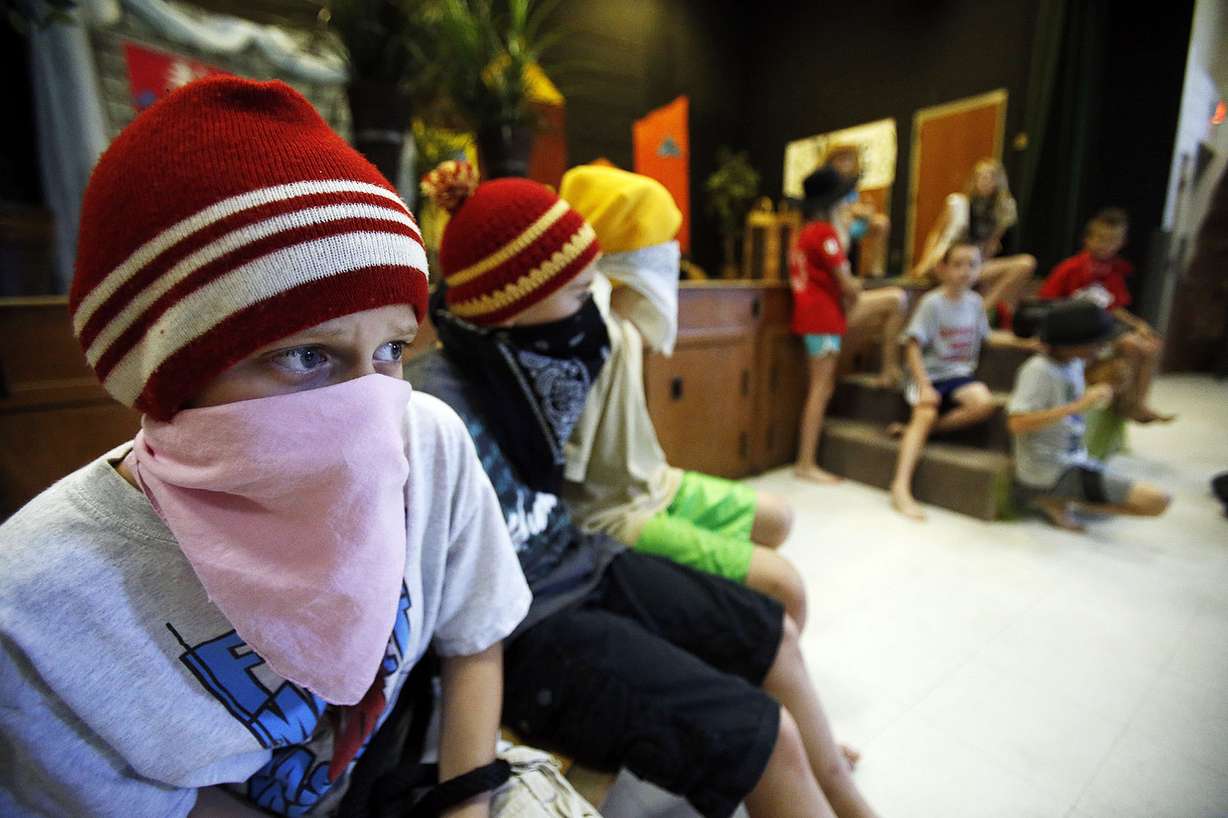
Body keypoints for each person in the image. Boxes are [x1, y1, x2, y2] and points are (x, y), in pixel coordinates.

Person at [0, 78, 533, 818]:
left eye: (392, 351)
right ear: (167, 376)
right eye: (306, 356)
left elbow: (475, 636)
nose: (369, 410)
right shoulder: (38, 608)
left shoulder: (429, 445)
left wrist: (466, 805)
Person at [409, 162, 884, 818]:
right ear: (513, 303)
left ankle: (845, 795)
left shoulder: (532, 362)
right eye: (580, 296)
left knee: (773, 631)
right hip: (535, 627)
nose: (593, 318)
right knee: (764, 736)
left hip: (583, 562)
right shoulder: (434, 410)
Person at [556, 163, 806, 627]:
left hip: (654, 483)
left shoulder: (622, 331)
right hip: (610, 514)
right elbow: (566, 471)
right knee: (785, 586)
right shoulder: (595, 335)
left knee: (778, 517)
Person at [889, 241, 1038, 521]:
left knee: (983, 403)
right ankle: (900, 486)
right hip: (926, 374)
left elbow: (988, 337)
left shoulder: (975, 304)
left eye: (972, 265)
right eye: (957, 264)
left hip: (957, 375)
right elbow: (912, 346)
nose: (965, 271)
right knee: (925, 412)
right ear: (943, 269)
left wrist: (1028, 343)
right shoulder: (933, 303)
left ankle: (925, 432)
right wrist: (924, 386)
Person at [1007, 300, 1172, 530]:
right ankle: (1049, 498)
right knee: (1156, 501)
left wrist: (1095, 394)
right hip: (1050, 472)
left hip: (1075, 459)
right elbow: (1017, 423)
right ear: (1070, 343)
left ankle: (1061, 500)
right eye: (1095, 343)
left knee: (1158, 500)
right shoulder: (1038, 370)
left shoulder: (1073, 364)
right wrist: (1077, 406)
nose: (1100, 348)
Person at [791, 166, 906, 485]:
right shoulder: (824, 234)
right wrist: (855, 288)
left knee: (820, 387)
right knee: (820, 390)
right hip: (823, 318)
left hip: (815, 317)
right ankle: (806, 462)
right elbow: (848, 285)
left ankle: (806, 460)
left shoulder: (808, 233)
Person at [1038, 207, 1175, 424]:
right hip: (1080, 331)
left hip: (1105, 327)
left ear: (1121, 243)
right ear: (1088, 239)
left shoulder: (1114, 271)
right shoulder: (1070, 268)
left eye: (1113, 240)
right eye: (1101, 239)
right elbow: (1046, 301)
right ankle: (1129, 404)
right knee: (1132, 345)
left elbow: (1114, 306)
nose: (1106, 245)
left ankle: (1138, 403)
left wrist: (1139, 324)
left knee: (1151, 344)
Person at [910, 158, 1037, 320]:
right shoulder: (957, 203)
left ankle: (978, 313)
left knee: (1025, 263)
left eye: (990, 177)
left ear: (999, 181)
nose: (985, 181)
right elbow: (936, 234)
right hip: (947, 261)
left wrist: (979, 266)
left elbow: (991, 246)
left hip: (974, 263)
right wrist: (924, 263)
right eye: (980, 176)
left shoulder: (1001, 210)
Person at [825, 144, 890, 277]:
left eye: (849, 159)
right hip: (836, 223)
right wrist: (859, 210)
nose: (846, 163)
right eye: (841, 159)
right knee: (844, 221)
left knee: (881, 223)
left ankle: (873, 269)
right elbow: (840, 208)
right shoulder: (829, 183)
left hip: (853, 222)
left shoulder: (851, 185)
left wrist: (864, 210)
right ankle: (841, 272)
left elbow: (854, 206)